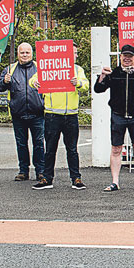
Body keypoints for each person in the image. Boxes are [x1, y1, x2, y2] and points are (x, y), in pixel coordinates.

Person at [93, 44, 134, 192]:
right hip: (118, 116)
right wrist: (102, 76)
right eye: (124, 56)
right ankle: (115, 182)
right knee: (116, 149)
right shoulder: (113, 74)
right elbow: (98, 89)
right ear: (120, 57)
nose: (127, 58)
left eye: (130, 56)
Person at [30, 45, 89, 190]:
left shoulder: (77, 70)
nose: (75, 56)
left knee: (72, 149)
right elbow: (33, 79)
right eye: (73, 53)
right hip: (52, 114)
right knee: (50, 149)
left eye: (76, 53)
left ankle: (76, 178)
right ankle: (47, 178)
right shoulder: (49, 67)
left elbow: (86, 85)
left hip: (71, 115)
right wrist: (34, 83)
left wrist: (78, 83)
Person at [0, 42, 46, 186]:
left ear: (32, 53)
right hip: (18, 113)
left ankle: (40, 171)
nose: (24, 55)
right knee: (21, 144)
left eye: (27, 53)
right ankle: (23, 171)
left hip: (37, 113)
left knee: (39, 144)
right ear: (18, 54)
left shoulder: (39, 68)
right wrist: (4, 82)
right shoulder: (10, 69)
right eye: (22, 53)